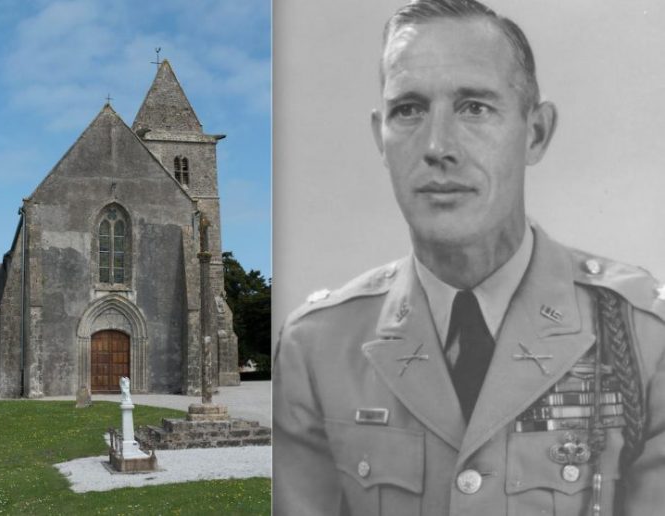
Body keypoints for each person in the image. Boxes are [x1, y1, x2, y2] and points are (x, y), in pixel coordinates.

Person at [273, 0, 665, 515]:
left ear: (536, 133)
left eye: (474, 107)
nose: (437, 146)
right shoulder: (316, 349)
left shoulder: (645, 336)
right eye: (408, 110)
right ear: (380, 138)